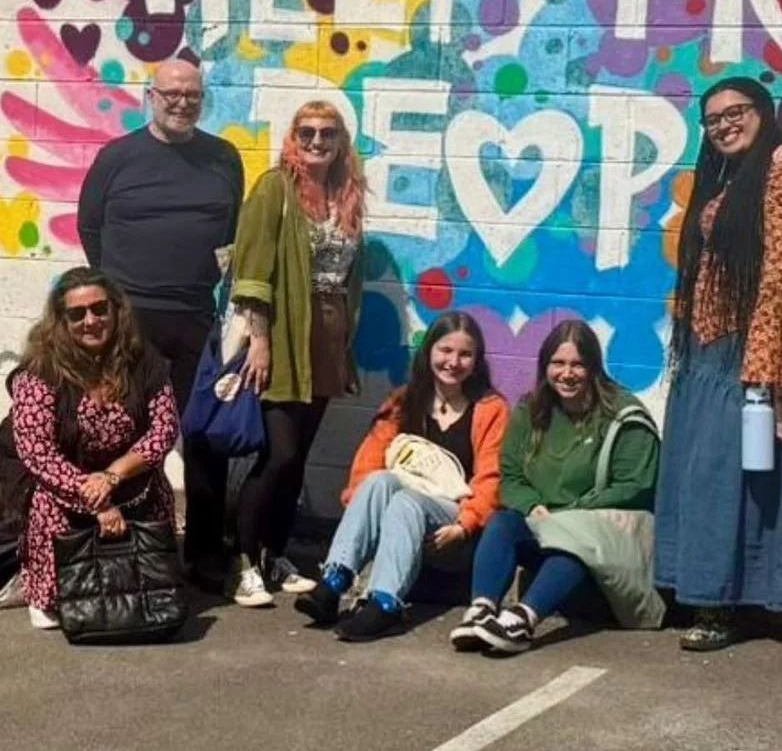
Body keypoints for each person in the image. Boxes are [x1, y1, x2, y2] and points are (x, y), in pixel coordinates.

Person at [653, 77, 782, 652]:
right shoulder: (730, 175)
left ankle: (746, 601)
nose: (726, 125)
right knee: (725, 475)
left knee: (753, 474)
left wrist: (763, 369)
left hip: (753, 355)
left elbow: (781, 275)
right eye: (713, 119)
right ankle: (722, 597)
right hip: (711, 350)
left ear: (764, 113)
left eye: (737, 112)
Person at [78, 58, 243, 591]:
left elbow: (233, 232)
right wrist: (116, 295)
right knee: (122, 433)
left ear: (203, 99)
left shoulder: (223, 158)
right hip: (131, 322)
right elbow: (90, 225)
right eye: (171, 93)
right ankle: (125, 544)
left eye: (192, 95)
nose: (182, 103)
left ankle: (204, 554)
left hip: (197, 316)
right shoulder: (117, 158)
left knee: (202, 436)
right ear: (151, 96)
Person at [296, 312, 510, 641]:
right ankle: (334, 581)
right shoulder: (404, 400)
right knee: (380, 481)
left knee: (406, 501)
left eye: (465, 354)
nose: (453, 362)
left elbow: (491, 478)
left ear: (477, 361)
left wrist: (465, 524)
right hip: (400, 512)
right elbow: (370, 459)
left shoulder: (491, 408)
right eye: (445, 351)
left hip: (455, 520)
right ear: (428, 353)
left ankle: (385, 602)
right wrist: (361, 508)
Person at [451, 320, 660, 655]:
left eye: (578, 364)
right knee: (503, 522)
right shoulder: (530, 410)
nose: (567, 373)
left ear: (594, 367)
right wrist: (532, 506)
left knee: (573, 543)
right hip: (541, 526)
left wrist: (568, 517)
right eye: (558, 363)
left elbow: (635, 486)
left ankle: (522, 620)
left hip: (596, 542)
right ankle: (481, 609)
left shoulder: (624, 416)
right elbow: (511, 476)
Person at [228, 100, 366, 608]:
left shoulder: (346, 193)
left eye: (327, 133)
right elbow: (252, 268)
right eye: (306, 132)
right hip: (283, 335)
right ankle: (243, 561)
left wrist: (346, 340)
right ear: (292, 136)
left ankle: (275, 553)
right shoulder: (274, 188)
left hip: (327, 340)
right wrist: (259, 340)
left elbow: (352, 276)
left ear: (340, 141)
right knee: (278, 454)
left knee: (299, 458)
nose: (316, 142)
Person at [8, 268, 179, 630]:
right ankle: (46, 589)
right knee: (62, 608)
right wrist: (97, 501)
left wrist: (113, 476)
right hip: (66, 489)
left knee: (148, 595)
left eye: (100, 309)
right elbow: (37, 452)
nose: (91, 320)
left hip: (131, 483)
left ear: (117, 310)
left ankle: (144, 586)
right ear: (61, 320)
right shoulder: (39, 372)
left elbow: (164, 429)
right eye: (77, 313)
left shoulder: (143, 361)